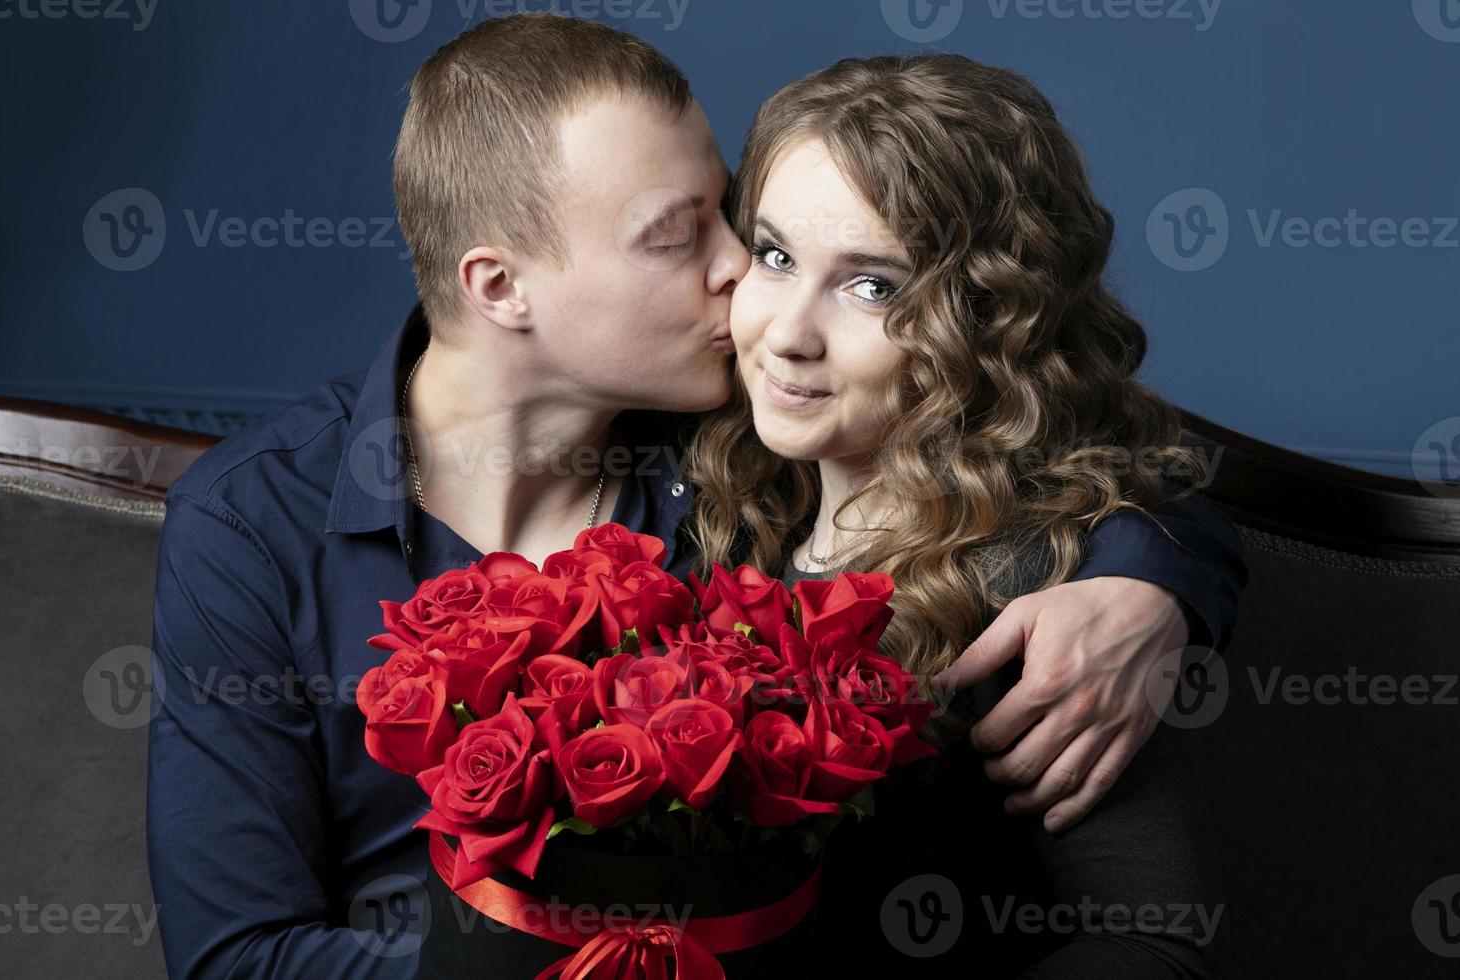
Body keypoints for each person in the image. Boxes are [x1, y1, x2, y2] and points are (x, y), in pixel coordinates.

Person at [145, 14, 1242, 978]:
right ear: (500, 285)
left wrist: (1153, 579)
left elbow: (1068, 449)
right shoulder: (256, 526)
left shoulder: (730, 453)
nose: (744, 284)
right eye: (700, 237)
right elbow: (242, 952)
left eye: (739, 223)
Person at [683, 52, 1234, 974]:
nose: (786, 334)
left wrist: (1154, 575)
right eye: (776, 256)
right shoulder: (734, 500)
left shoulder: (1051, 588)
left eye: (873, 286)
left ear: (986, 319)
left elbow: (1157, 945)